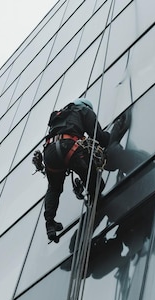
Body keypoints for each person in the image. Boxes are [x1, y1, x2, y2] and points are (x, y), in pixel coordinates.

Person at [42, 98, 112, 243]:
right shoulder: (84, 111)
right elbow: (98, 136)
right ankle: (95, 202)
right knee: (96, 184)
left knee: (54, 188)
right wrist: (111, 137)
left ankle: (50, 222)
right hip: (70, 147)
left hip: (50, 153)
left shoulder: (60, 115)